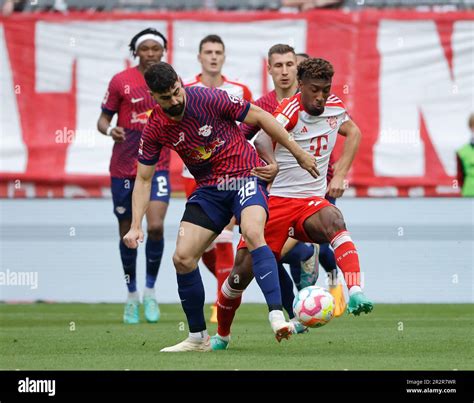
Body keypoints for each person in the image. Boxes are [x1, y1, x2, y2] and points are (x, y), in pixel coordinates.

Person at [123, 62, 318, 352]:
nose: (174, 100)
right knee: (183, 258)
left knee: (253, 233)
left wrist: (299, 153)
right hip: (209, 191)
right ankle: (198, 337)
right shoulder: (155, 127)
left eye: (176, 92)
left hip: (245, 176)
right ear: (153, 96)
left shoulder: (209, 97)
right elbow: (143, 178)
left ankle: (277, 315)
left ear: (180, 82)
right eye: (166, 98)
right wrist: (136, 224)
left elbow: (262, 117)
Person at [211, 58, 373, 350]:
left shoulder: (335, 107)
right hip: (277, 201)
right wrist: (273, 163)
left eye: (325, 89)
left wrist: (341, 173)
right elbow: (261, 141)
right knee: (240, 275)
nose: (321, 97)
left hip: (311, 201)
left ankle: (356, 290)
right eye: (315, 90)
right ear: (301, 87)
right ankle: (222, 335)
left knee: (335, 220)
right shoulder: (289, 110)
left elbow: (354, 132)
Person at [97, 28, 170, 324]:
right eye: (146, 48)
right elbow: (103, 118)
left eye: (156, 48)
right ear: (136, 51)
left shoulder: (168, 79)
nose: (151, 53)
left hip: (159, 166)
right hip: (124, 167)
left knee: (155, 227)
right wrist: (109, 130)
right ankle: (131, 295)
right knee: (128, 233)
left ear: (163, 52)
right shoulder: (121, 81)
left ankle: (151, 292)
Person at [182, 34, 254, 323]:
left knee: (224, 238)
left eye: (218, 52)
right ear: (199, 57)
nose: (213, 56)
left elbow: (250, 128)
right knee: (200, 246)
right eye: (208, 52)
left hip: (230, 176)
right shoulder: (186, 90)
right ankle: (229, 286)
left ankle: (219, 300)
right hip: (195, 176)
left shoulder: (239, 90)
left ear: (224, 57)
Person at [456, 113, 474, 197]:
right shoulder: (461, 151)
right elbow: (459, 177)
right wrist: (456, 189)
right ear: (471, 127)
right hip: (468, 195)